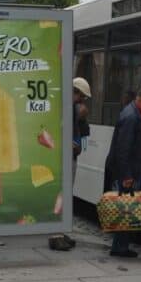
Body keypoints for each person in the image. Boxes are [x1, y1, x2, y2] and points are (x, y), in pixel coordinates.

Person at [104, 85, 141, 258]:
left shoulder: (137, 114)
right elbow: (123, 150)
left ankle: (133, 234)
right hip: (128, 169)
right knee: (127, 208)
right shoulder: (131, 117)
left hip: (135, 167)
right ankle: (120, 247)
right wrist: (126, 176)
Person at [48, 77, 92, 252]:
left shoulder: (71, 108)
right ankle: (55, 235)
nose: (82, 101)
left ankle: (61, 231)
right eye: (81, 97)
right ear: (75, 92)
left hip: (71, 156)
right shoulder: (63, 107)